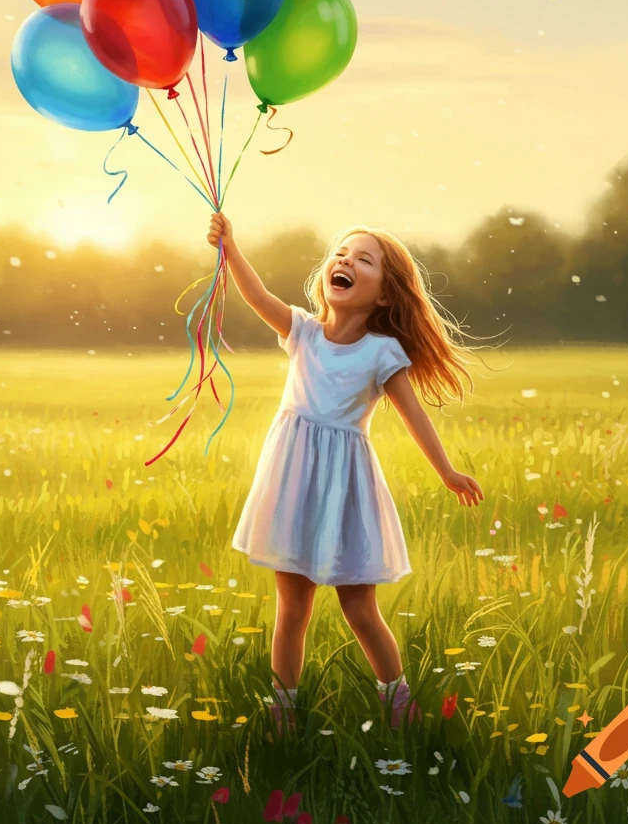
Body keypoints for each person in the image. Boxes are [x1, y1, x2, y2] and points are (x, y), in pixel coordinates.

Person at [207, 212, 484, 732]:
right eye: (341, 254)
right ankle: (285, 707)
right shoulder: (303, 332)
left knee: (360, 609)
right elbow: (257, 294)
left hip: (345, 486)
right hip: (291, 479)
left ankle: (395, 700)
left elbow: (414, 415)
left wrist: (446, 471)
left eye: (363, 260)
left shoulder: (383, 352)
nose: (345, 261)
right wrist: (230, 247)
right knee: (291, 608)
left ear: (383, 295)